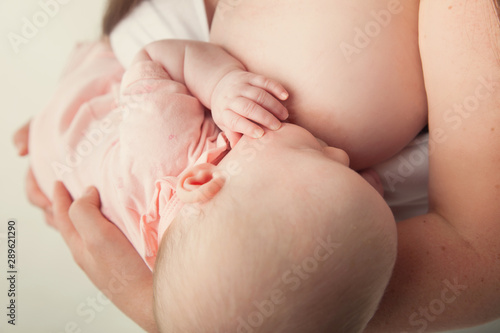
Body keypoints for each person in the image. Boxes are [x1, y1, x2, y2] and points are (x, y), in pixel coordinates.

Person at [13, 0, 500, 332]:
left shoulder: (172, 151)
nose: (345, 161)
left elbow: (152, 66)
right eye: (353, 177)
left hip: (125, 110)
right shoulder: (251, 222)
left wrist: (157, 309)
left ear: (201, 179)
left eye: (328, 159)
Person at [26, 32, 398, 332]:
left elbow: (153, 57)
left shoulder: (163, 139)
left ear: (202, 179)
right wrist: (356, 207)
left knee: (115, 53)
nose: (343, 156)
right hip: (67, 177)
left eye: (317, 155)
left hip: (71, 117)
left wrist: (220, 82)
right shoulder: (200, 273)